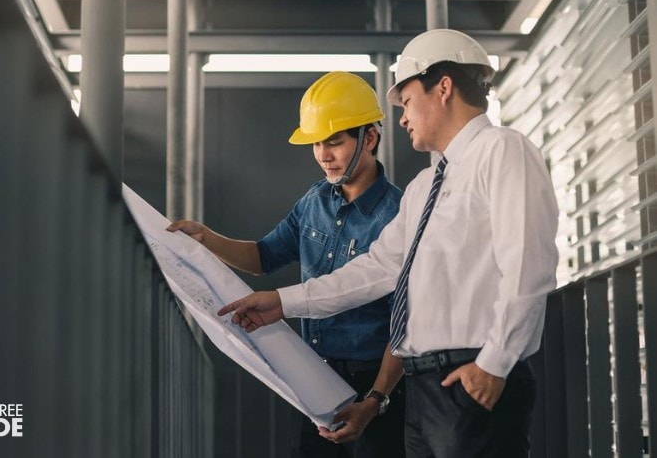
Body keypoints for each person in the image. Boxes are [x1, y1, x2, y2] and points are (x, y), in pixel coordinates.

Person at [218, 29, 560, 458]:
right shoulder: (424, 187)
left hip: (470, 373)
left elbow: (530, 265)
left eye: (407, 101)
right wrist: (283, 302)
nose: (401, 118)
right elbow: (376, 269)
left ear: (444, 88)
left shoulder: (503, 151)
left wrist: (495, 362)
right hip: (422, 387)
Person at [168, 71, 406, 458]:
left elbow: (405, 322)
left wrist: (376, 399)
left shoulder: (399, 215)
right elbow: (263, 257)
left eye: (335, 142)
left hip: (374, 384)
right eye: (316, 144)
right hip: (311, 378)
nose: (323, 155)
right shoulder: (313, 201)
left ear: (371, 137)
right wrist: (206, 239)